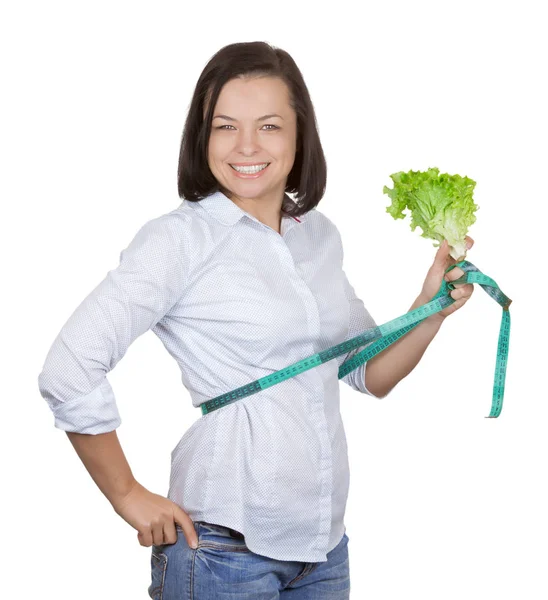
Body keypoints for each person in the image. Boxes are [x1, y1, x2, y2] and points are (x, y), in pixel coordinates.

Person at [37, 41, 474, 599]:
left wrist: (430, 306)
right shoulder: (179, 240)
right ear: (203, 137)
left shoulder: (317, 235)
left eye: (269, 126)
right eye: (225, 127)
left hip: (323, 548)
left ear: (299, 137)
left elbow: (368, 374)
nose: (246, 146)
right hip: (221, 550)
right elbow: (67, 368)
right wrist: (125, 492)